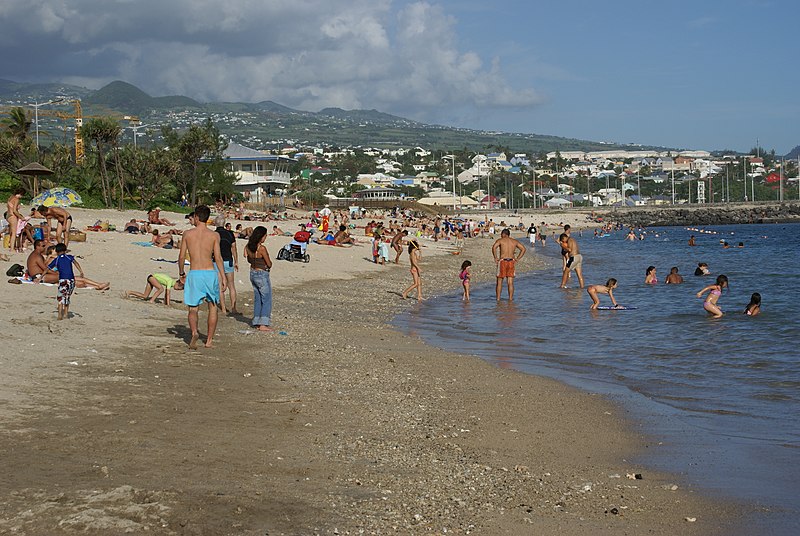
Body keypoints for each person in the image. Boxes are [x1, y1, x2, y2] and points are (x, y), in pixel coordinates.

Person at [178, 205, 227, 349]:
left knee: (193, 308)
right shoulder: (214, 235)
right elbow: (218, 257)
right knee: (212, 307)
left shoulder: (187, 234)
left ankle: (194, 332)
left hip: (195, 272)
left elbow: (181, 257)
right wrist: (223, 276)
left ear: (197, 217)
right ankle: (209, 340)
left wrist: (181, 273)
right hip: (209, 273)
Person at [26, 239, 109, 289]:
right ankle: (98, 285)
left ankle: (97, 286)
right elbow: (45, 268)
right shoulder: (37, 256)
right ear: (37, 246)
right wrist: (55, 273)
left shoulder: (35, 255)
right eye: (43, 246)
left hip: (41, 275)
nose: (44, 248)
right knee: (68, 277)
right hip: (40, 276)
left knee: (76, 281)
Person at [243, 226, 273, 332]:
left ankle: (256, 320)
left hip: (252, 272)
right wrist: (267, 265)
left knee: (258, 298)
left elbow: (248, 259)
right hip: (261, 273)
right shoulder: (261, 248)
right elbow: (269, 263)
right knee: (266, 298)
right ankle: (263, 323)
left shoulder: (249, 246)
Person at [48, 243, 83, 320]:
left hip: (63, 280)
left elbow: (48, 268)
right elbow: (76, 263)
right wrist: (81, 271)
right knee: (67, 297)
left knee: (60, 297)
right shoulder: (69, 257)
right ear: (65, 250)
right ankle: (66, 314)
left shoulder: (56, 260)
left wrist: (41, 276)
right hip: (71, 280)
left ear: (57, 251)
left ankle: (60, 314)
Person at [492, 228, 526, 300]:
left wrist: (495, 257)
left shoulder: (500, 240)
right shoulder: (514, 241)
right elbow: (523, 249)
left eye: (501, 234)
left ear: (504, 234)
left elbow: (494, 247)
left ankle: (498, 299)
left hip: (503, 261)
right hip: (511, 261)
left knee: (499, 281)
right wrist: (517, 258)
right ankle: (510, 299)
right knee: (510, 282)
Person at [214, 215, 238, 314]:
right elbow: (234, 248)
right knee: (231, 285)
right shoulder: (230, 234)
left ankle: (223, 308)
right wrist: (236, 261)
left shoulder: (213, 234)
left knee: (220, 286)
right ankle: (233, 308)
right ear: (224, 223)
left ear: (215, 223)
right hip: (228, 260)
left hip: (217, 261)